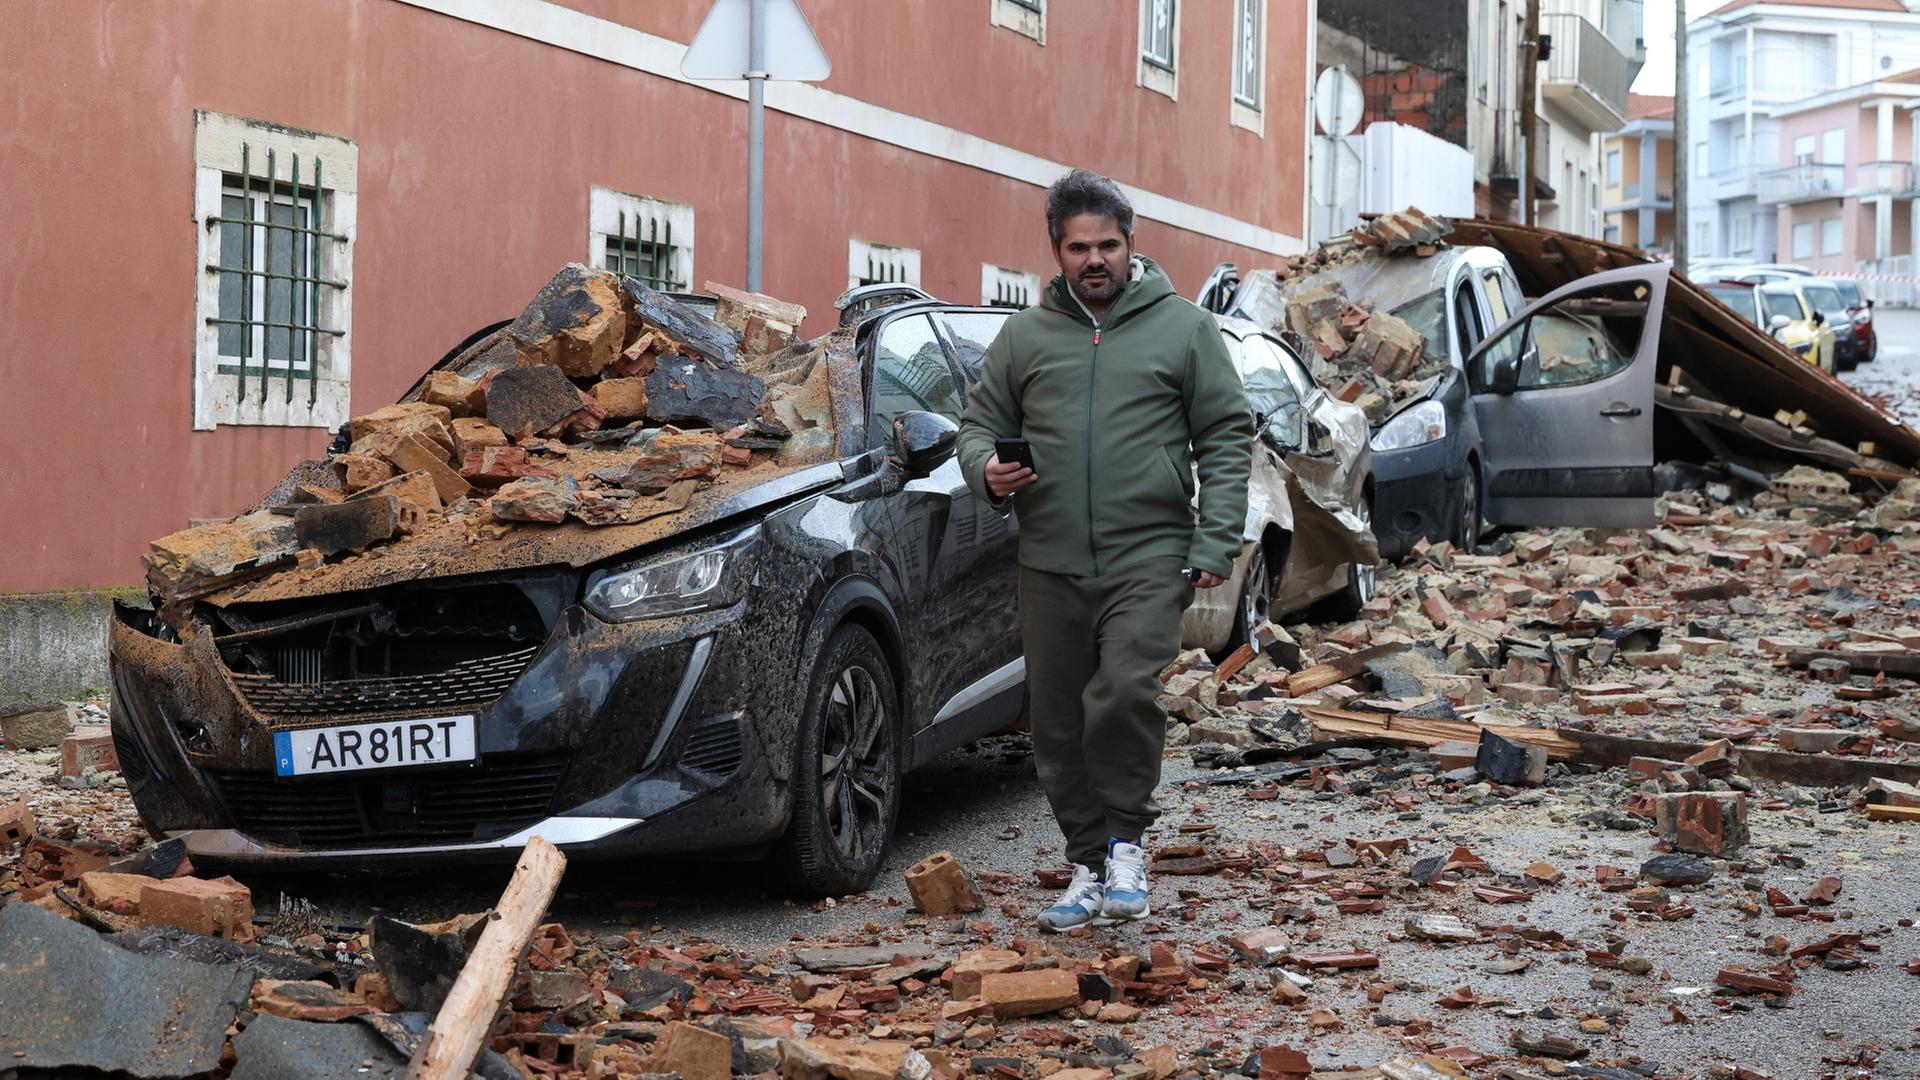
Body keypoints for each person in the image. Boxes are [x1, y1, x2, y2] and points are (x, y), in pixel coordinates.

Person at [957, 170, 1252, 931]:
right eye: (1078, 247)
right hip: (1048, 560)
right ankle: (1087, 866)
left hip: (1149, 555)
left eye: (1109, 245)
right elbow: (976, 426)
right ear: (1055, 251)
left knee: (1122, 690)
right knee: (1055, 724)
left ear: (1132, 244)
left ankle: (1126, 842)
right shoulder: (1025, 337)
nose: (1096, 260)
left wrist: (1215, 535)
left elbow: (1225, 435)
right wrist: (987, 471)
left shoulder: (1185, 329)